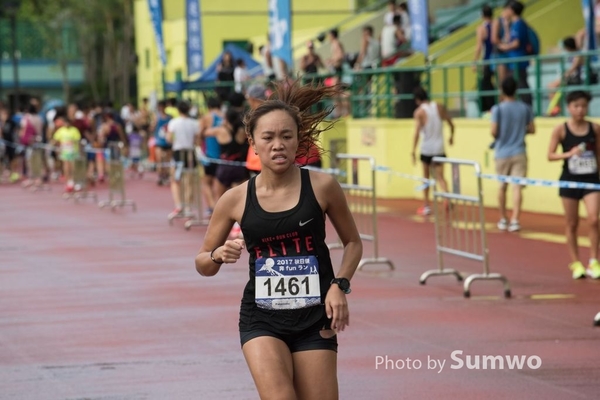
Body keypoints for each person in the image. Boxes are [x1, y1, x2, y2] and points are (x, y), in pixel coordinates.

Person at [194, 80, 362, 400]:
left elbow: (353, 242)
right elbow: (202, 262)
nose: (278, 145)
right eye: (268, 137)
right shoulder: (235, 199)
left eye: (286, 136)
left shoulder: (323, 187)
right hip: (262, 318)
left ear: (299, 139)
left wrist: (340, 285)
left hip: (315, 317)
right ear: (253, 143)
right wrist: (217, 255)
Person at [547, 91, 600, 280]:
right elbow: (550, 155)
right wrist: (569, 154)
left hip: (592, 179)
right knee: (572, 223)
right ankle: (576, 262)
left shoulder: (594, 128)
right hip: (570, 179)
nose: (580, 110)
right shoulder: (560, 129)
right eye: (576, 106)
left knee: (594, 219)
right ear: (569, 108)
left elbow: (599, 154)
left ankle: (594, 260)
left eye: (584, 106)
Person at [491, 76, 535, 232]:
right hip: (519, 151)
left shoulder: (498, 109)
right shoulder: (525, 108)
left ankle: (503, 218)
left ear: (502, 90)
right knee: (517, 187)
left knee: (502, 187)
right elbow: (532, 129)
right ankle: (515, 219)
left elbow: (494, 131)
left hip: (502, 152)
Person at [411, 87, 455, 216]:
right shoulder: (439, 107)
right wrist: (452, 136)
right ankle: (447, 198)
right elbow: (451, 123)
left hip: (427, 149)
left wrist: (413, 150)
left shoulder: (419, 112)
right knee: (441, 177)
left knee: (426, 178)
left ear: (417, 100)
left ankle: (426, 205)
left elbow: (417, 133)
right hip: (439, 148)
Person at [166, 101, 200, 217]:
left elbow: (169, 138)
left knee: (175, 180)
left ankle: (179, 205)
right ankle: (188, 207)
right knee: (189, 180)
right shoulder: (194, 123)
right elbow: (197, 140)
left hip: (178, 152)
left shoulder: (173, 122)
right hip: (190, 153)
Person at [497, 1, 532, 106]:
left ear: (512, 10)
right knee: (516, 86)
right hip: (513, 61)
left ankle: (528, 108)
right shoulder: (514, 24)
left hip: (519, 60)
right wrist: (506, 25)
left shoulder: (520, 24)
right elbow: (509, 39)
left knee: (522, 86)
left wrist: (504, 47)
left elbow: (516, 43)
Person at [199, 97, 224, 217]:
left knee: (206, 182)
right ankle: (219, 207)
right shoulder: (225, 116)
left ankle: (212, 207)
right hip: (225, 155)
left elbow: (200, 134)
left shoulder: (207, 117)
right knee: (220, 183)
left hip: (210, 155)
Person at [547, 37, 583, 116]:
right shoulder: (570, 55)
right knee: (551, 86)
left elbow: (573, 68)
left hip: (575, 78)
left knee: (553, 86)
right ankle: (555, 108)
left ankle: (555, 109)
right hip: (568, 77)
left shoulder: (578, 55)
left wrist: (565, 75)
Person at [473, 4, 496, 113]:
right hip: (499, 59)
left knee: (485, 84)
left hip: (488, 59)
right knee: (491, 84)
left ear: (482, 15)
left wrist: (474, 61)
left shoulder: (482, 28)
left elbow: (478, 46)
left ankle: (488, 109)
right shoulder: (497, 25)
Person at [52, 115, 81, 192]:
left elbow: (77, 141)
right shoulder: (61, 131)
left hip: (73, 151)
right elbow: (55, 140)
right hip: (65, 152)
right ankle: (68, 182)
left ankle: (73, 181)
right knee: (66, 166)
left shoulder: (74, 130)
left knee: (73, 167)